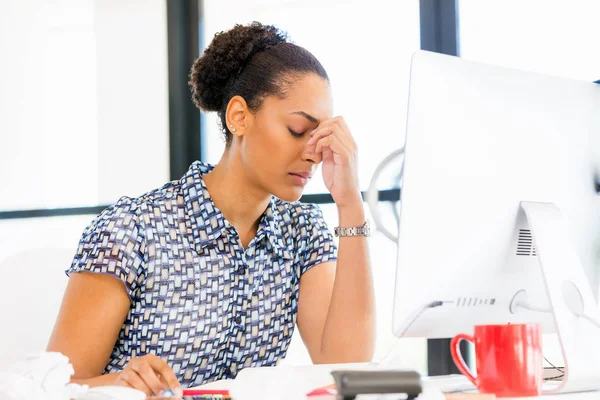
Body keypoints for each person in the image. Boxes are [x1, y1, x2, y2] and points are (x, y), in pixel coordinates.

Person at [47, 22, 375, 396]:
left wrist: (351, 205)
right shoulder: (131, 232)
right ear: (239, 117)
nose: (313, 153)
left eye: (320, 137)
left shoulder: (301, 232)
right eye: (299, 130)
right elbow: (52, 389)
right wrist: (120, 385)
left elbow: (346, 369)